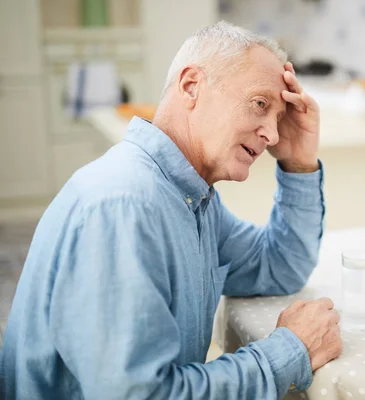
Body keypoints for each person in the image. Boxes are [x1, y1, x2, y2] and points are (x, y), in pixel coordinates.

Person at [0, 22, 342, 399]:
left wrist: (298, 163)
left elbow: (279, 266)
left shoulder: (191, 197)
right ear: (191, 85)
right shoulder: (124, 206)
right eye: (260, 104)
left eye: (277, 118)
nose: (273, 135)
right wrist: (289, 351)